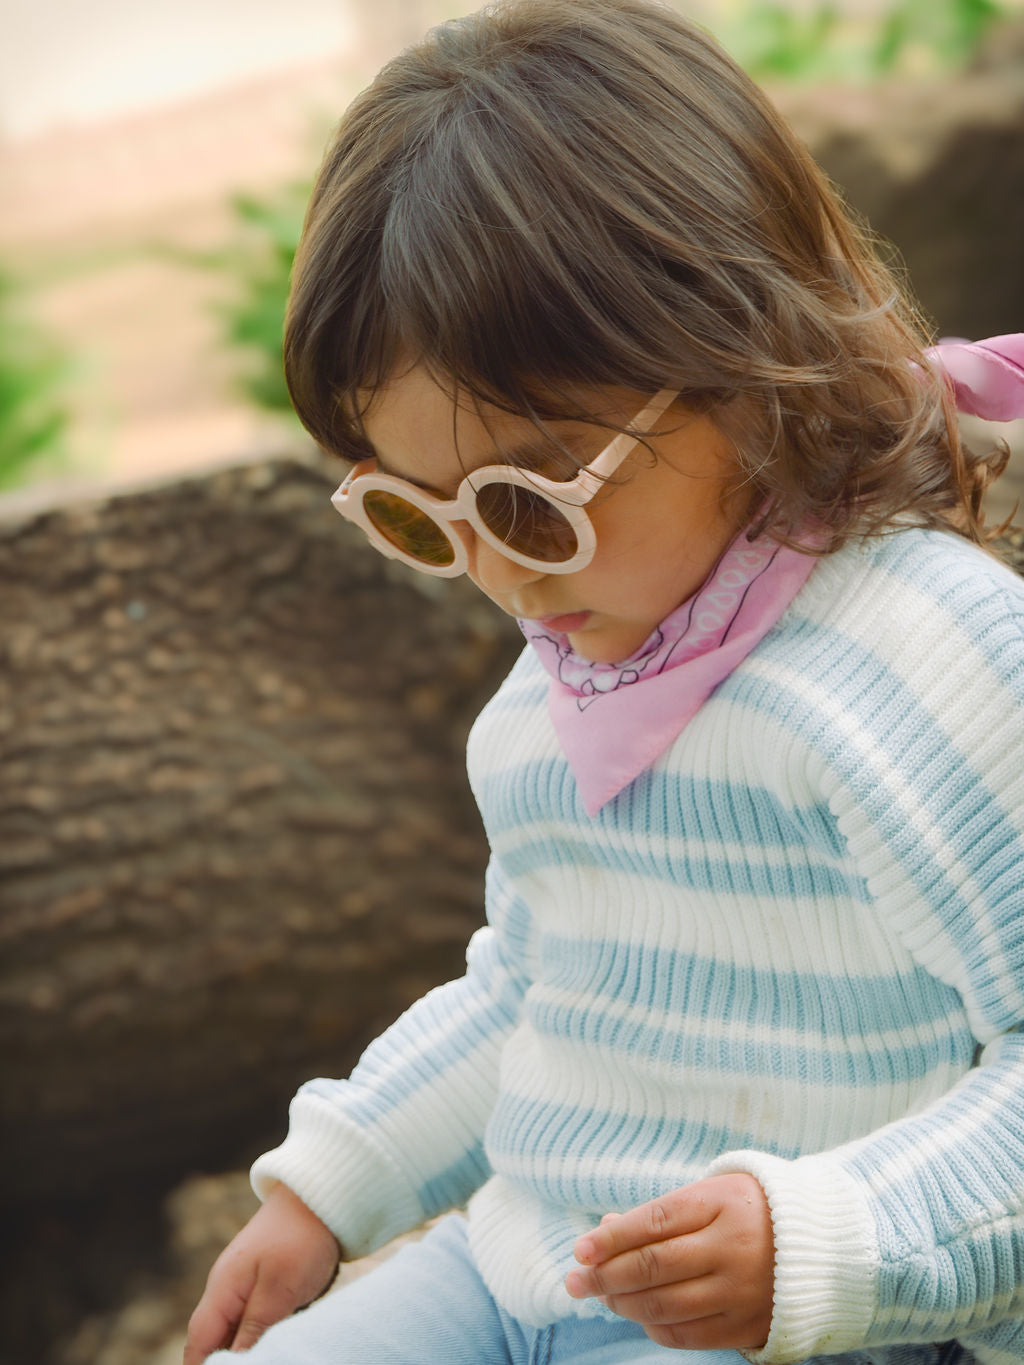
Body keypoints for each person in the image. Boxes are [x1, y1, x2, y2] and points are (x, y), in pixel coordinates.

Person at [184, 1, 1024, 1361]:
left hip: (815, 1316)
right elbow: (533, 989)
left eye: (530, 501)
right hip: (522, 1267)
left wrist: (822, 1237)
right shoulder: (552, 696)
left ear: (744, 362)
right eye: (423, 517)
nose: (504, 580)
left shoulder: (929, 660)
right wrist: (327, 1186)